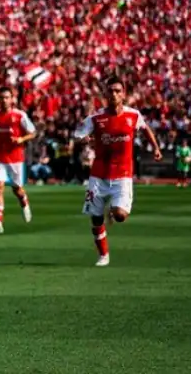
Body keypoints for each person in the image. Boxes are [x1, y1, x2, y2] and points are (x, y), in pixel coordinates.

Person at [71, 76, 162, 267]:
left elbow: (145, 129)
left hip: (122, 175)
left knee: (120, 215)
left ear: (124, 94)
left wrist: (155, 147)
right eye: (110, 91)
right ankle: (103, 255)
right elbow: (77, 135)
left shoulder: (133, 115)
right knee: (96, 218)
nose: (114, 94)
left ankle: (113, 210)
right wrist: (83, 139)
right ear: (105, 94)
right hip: (98, 175)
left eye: (117, 91)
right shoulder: (96, 118)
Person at [0, 85, 36, 233]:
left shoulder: (20, 115)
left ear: (12, 99)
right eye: (1, 98)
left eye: (7, 97)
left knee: (17, 189)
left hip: (15, 158)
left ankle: (24, 201)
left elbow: (33, 132)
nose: (4, 100)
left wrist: (21, 139)